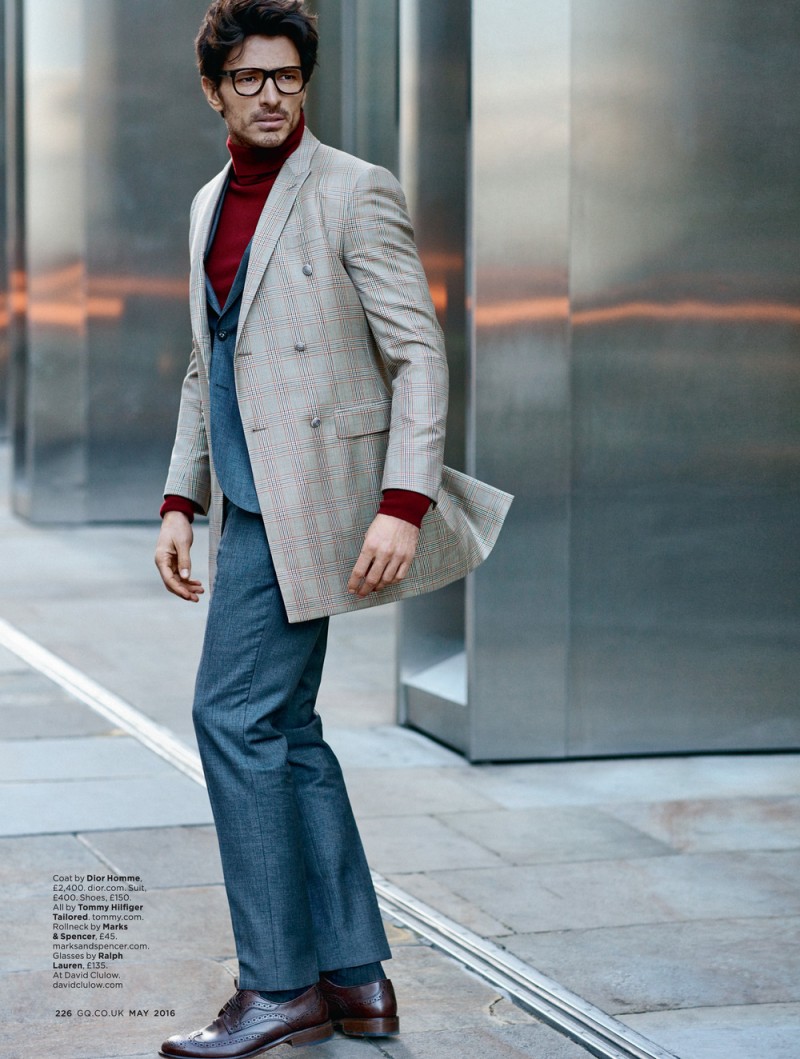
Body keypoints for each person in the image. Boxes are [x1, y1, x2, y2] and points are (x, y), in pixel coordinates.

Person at [154, 1, 510, 1055]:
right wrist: (181, 499)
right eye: (249, 79)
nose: (270, 95)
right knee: (286, 735)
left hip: (317, 498)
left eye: (287, 77)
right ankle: (354, 982)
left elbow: (418, 355)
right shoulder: (207, 202)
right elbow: (205, 362)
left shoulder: (355, 192)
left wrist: (401, 503)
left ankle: (275, 987)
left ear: (305, 82)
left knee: (232, 720)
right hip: (243, 503)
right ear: (215, 90)